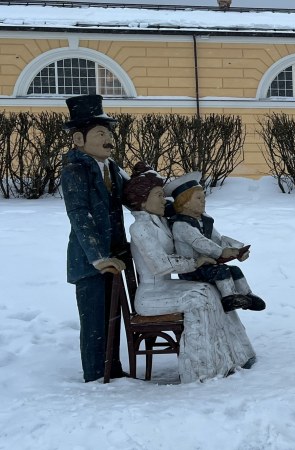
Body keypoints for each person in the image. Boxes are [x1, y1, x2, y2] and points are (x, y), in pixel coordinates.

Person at [125, 163, 256, 382]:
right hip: (152, 296)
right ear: (142, 202)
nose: (163, 200)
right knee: (200, 297)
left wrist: (226, 251)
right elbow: (159, 265)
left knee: (211, 289)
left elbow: (201, 239)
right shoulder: (140, 228)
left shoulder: (162, 222)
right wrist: (194, 263)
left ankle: (233, 356)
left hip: (167, 288)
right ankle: (202, 369)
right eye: (158, 195)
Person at [60, 94, 129, 382]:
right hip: (89, 262)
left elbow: (134, 197)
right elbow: (80, 216)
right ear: (79, 139)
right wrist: (98, 257)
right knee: (93, 321)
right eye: (100, 133)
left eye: (109, 132)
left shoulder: (111, 168)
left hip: (115, 256)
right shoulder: (75, 171)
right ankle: (95, 373)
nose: (108, 138)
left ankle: (112, 368)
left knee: (111, 317)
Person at [164, 173, 266, 313]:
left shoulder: (204, 221)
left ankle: (247, 296)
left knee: (234, 270)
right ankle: (229, 298)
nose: (203, 201)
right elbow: (200, 242)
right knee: (221, 270)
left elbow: (219, 239)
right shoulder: (181, 225)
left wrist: (237, 249)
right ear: (185, 203)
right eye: (199, 198)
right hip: (192, 269)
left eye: (204, 198)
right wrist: (221, 252)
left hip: (207, 266)